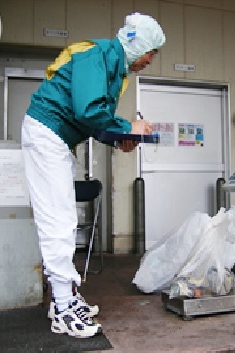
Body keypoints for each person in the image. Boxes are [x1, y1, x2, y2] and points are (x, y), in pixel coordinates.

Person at [21, 12, 164, 338]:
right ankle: (61, 305)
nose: (150, 60)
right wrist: (128, 126)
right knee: (59, 220)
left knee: (63, 218)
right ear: (137, 44)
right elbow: (88, 110)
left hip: (55, 136)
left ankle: (66, 296)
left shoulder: (112, 67)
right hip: (47, 132)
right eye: (151, 52)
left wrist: (120, 138)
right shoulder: (99, 55)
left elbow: (92, 120)